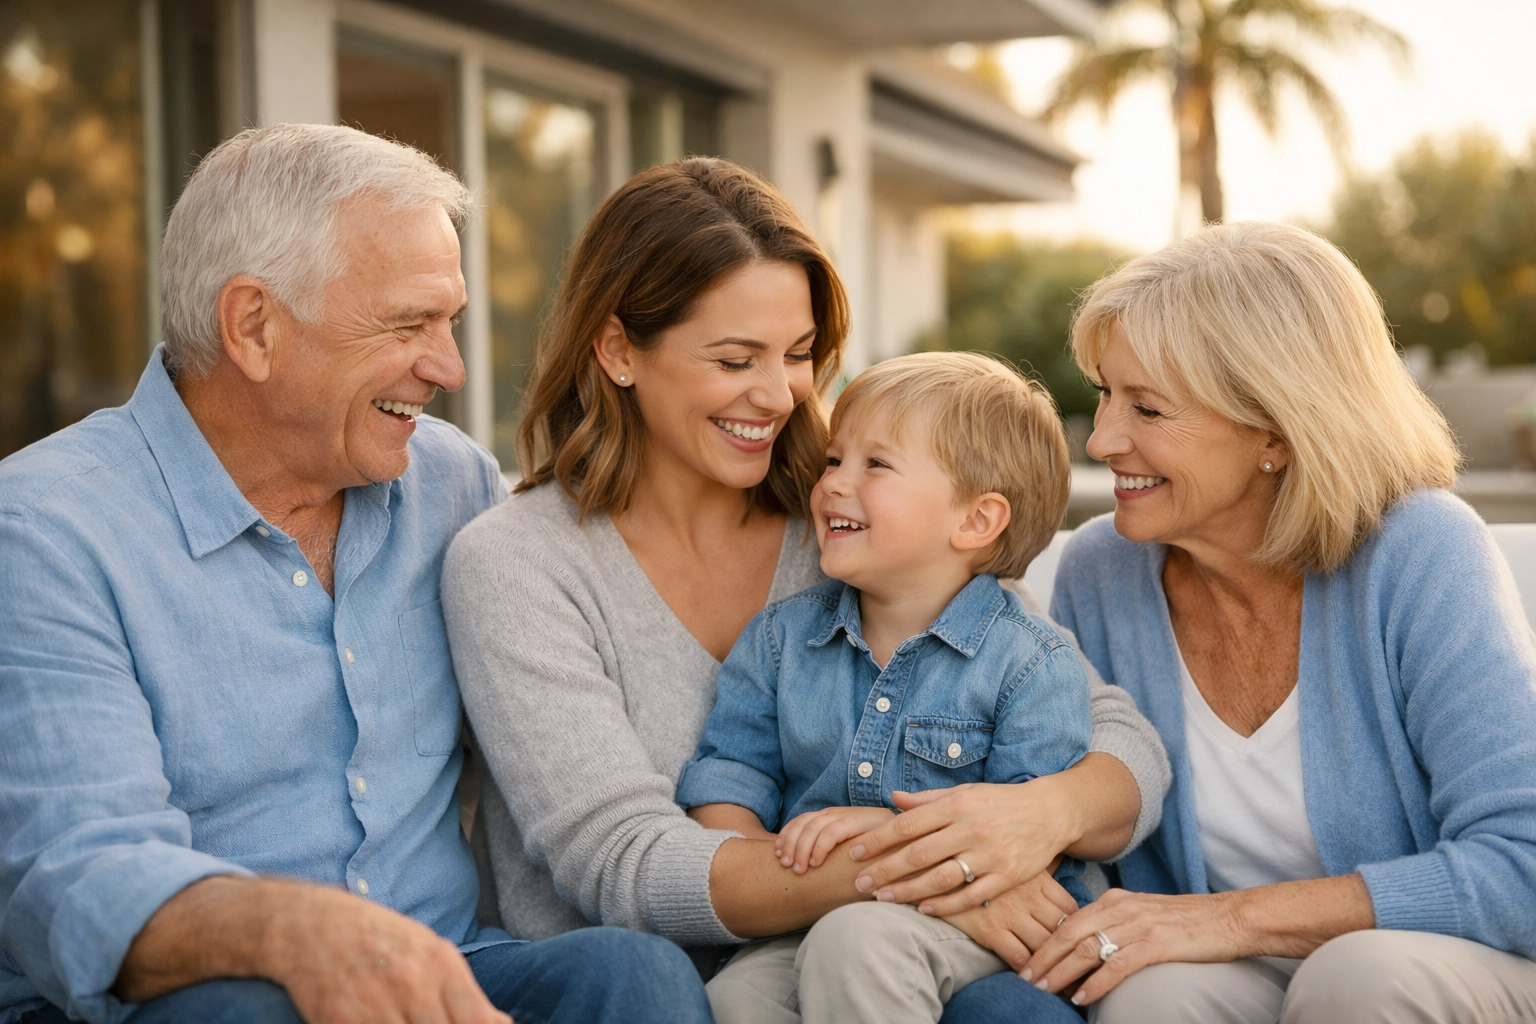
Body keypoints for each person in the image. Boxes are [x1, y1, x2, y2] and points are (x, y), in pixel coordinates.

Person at [0, 124, 712, 1024]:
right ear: (253, 326)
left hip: (439, 975)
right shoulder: (43, 531)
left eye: (448, 321)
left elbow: (607, 623)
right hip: (191, 1003)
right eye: (409, 324)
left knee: (631, 977)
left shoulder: (448, 482)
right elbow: (80, 878)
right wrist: (302, 936)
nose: (448, 367)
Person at [441, 156, 1170, 1024]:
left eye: (796, 355)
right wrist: (938, 877)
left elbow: (1115, 735)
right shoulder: (519, 562)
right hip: (653, 987)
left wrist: (1035, 818)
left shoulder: (854, 530)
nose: (779, 393)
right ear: (617, 351)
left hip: (903, 966)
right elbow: (621, 860)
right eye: (734, 357)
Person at [1021, 221, 1536, 1022]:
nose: (1104, 438)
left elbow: (1524, 867)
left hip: (1453, 965)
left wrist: (1228, 919)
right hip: (1239, 969)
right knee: (1146, 994)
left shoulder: (1423, 552)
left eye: (1148, 408)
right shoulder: (1103, 570)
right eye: (1105, 395)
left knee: (1356, 977)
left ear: (1274, 429)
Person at [677, 352, 1094, 1024]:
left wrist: (882, 834)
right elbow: (729, 779)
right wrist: (766, 868)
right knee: (735, 998)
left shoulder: (1030, 663)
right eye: (835, 460)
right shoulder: (782, 640)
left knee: (858, 945)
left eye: (876, 465)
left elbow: (1022, 841)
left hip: (973, 920)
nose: (834, 484)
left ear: (976, 522)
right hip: (814, 912)